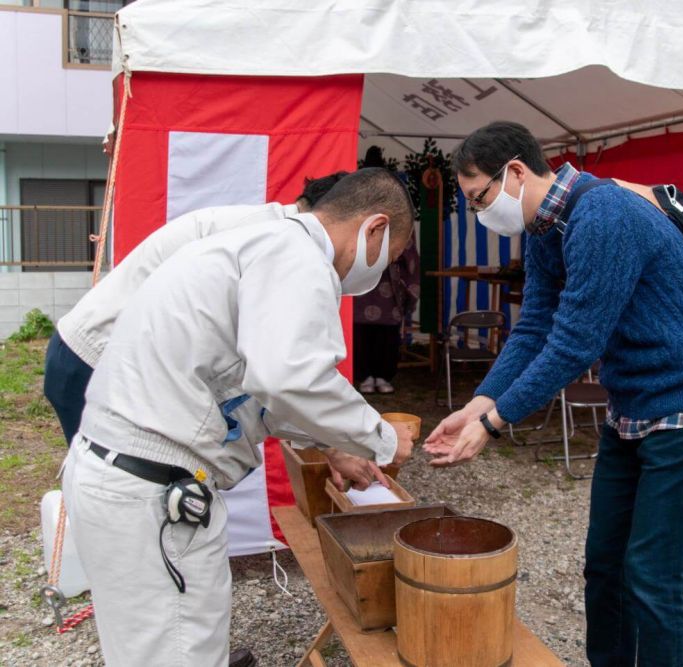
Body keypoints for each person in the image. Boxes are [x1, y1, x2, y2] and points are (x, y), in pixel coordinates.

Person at [60, 168, 416, 667]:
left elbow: (252, 387)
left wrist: (336, 445)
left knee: (150, 648)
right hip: (150, 494)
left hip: (121, 478)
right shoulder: (297, 256)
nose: (383, 269)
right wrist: (380, 438)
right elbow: (289, 377)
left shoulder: (260, 242)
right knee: (178, 653)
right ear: (374, 227)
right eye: (393, 255)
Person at [424, 121, 683, 667]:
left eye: (480, 197)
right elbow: (535, 327)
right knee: (604, 564)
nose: (480, 213)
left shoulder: (603, 215)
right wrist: (480, 402)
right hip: (632, 407)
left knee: (653, 577)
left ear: (517, 172)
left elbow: (576, 342)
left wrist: (495, 423)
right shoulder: (546, 228)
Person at [44, 170, 347, 447]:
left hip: (100, 356)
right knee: (116, 484)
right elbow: (277, 371)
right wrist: (336, 439)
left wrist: (330, 439)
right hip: (96, 358)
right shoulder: (272, 241)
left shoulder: (269, 228)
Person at [354, 232, 420, 394]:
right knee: (362, 331)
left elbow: (409, 250)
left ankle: (384, 376)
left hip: (390, 280)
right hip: (362, 278)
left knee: (388, 331)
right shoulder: (358, 213)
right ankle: (365, 376)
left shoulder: (400, 217)